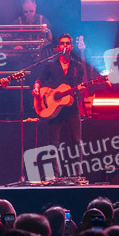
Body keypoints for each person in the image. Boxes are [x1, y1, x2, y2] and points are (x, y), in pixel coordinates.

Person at [32, 34, 86, 175]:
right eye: (62, 43)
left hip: (71, 108)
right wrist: (37, 88)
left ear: (71, 47)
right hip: (53, 108)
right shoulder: (50, 64)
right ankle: (54, 175)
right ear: (58, 46)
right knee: (53, 142)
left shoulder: (77, 66)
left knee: (77, 141)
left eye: (67, 43)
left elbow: (80, 86)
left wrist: (79, 90)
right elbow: (39, 80)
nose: (65, 45)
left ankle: (77, 174)